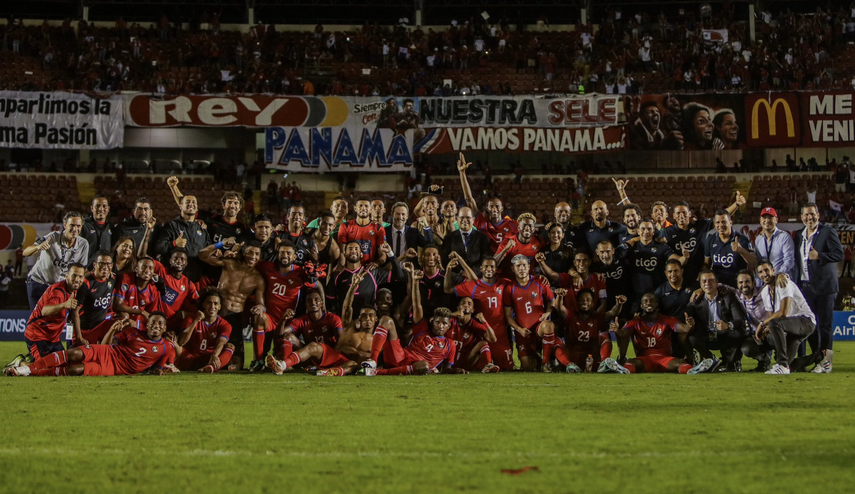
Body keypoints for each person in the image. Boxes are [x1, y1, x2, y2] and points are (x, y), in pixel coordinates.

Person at [361, 268, 465, 376]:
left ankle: (376, 372)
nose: (441, 326)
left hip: (417, 367)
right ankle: (372, 362)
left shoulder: (450, 345)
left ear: (449, 325)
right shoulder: (423, 329)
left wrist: (455, 370)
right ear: (432, 321)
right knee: (386, 320)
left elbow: (446, 368)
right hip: (399, 356)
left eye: (444, 324)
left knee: (424, 366)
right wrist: (415, 282)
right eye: (438, 322)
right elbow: (417, 305)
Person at [6, 312, 175, 377]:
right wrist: (113, 331)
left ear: (165, 327)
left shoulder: (166, 347)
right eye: (153, 322)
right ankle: (27, 369)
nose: (156, 326)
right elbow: (106, 345)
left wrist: (162, 370)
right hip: (108, 353)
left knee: (75, 370)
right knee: (74, 354)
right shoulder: (133, 332)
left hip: (114, 369)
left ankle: (26, 368)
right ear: (147, 324)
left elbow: (156, 369)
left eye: (160, 323)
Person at [601, 293, 714, 374]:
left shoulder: (666, 320)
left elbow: (683, 329)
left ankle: (692, 370)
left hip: (664, 358)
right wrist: (617, 330)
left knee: (680, 363)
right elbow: (623, 334)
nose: (648, 303)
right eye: (645, 301)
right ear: (641, 306)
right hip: (644, 358)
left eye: (651, 301)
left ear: (657, 305)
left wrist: (690, 325)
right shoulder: (635, 322)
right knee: (632, 363)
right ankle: (624, 369)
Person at [249, 240, 319, 371]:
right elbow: (250, 265)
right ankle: (258, 361)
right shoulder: (267, 268)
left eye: (288, 253)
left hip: (288, 322)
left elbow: (316, 284)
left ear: (294, 256)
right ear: (277, 254)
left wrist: (315, 265)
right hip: (270, 318)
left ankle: (280, 359)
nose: (285, 255)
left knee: (281, 354)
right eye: (282, 252)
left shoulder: (300, 273)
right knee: (259, 317)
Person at [198, 240, 266, 370]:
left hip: (235, 316)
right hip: (216, 312)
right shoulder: (229, 264)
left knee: (237, 364)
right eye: (250, 252)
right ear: (244, 253)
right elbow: (203, 255)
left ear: (260, 257)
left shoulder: (258, 279)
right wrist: (221, 244)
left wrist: (260, 308)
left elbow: (261, 303)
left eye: (257, 254)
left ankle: (214, 367)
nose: (253, 256)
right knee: (207, 348)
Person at [793, 203, 843, 372]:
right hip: (806, 288)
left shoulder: (827, 232)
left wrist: (819, 256)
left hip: (825, 287)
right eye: (806, 215)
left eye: (812, 214)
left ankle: (826, 362)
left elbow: (839, 254)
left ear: (818, 215)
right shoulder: (799, 235)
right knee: (811, 325)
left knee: (825, 325)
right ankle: (816, 358)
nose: (809, 217)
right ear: (801, 217)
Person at [448, 256, 514, 370]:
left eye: (492, 266)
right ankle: (485, 365)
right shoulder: (473, 286)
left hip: (500, 332)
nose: (489, 269)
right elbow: (448, 290)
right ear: (481, 269)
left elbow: (521, 285)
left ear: (496, 269)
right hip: (480, 332)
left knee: (507, 368)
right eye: (486, 266)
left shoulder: (504, 283)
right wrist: (449, 268)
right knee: (477, 363)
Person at [662, 197, 744, 288]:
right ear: (673, 215)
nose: (681, 215)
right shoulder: (667, 232)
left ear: (689, 214)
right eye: (678, 213)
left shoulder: (699, 226)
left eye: (684, 212)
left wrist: (736, 204)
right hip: (678, 277)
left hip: (698, 276)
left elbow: (720, 218)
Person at [266, 291, 353, 376]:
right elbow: (279, 335)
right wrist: (283, 319)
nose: (313, 302)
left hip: (329, 355)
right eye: (309, 300)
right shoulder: (301, 320)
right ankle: (284, 365)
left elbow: (340, 342)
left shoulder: (333, 318)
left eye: (316, 300)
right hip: (310, 355)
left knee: (313, 346)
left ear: (322, 303)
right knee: (288, 336)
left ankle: (283, 365)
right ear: (306, 305)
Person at [753, 261, 817, 375]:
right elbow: (772, 316)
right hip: (791, 328)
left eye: (766, 270)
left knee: (774, 324)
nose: (764, 274)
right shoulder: (764, 292)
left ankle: (781, 364)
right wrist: (767, 329)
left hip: (805, 321)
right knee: (790, 365)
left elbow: (782, 312)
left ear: (773, 271)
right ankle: (820, 356)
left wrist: (762, 324)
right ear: (758, 275)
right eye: (760, 272)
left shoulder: (783, 282)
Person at [18, 263, 86, 361]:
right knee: (45, 368)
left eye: (80, 277)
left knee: (64, 365)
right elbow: (45, 311)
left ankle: (31, 359)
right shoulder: (58, 291)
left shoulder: (73, 289)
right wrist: (64, 305)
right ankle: (19, 363)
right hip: (37, 336)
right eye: (74, 275)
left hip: (53, 339)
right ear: (67, 276)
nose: (77, 279)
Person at [685, 270, 749, 371]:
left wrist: (728, 325)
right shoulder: (697, 299)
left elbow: (739, 319)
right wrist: (690, 321)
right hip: (707, 334)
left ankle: (731, 362)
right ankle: (711, 360)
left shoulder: (728, 297)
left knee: (739, 332)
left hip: (725, 334)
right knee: (692, 337)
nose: (707, 284)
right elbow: (689, 312)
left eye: (711, 281)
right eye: (704, 281)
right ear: (700, 284)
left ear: (716, 282)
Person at [23, 211, 88, 310]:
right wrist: (38, 247)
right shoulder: (53, 237)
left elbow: (81, 271)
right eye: (72, 225)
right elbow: (25, 252)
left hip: (60, 287)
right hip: (39, 282)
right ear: (65, 224)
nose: (75, 229)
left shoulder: (83, 244)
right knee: (38, 320)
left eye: (78, 226)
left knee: (56, 321)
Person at [503, 255, 556, 372]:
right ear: (513, 269)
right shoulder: (509, 288)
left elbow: (552, 300)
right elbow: (507, 316)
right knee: (528, 368)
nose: (521, 268)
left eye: (524, 265)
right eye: (518, 266)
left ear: (529, 267)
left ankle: (546, 363)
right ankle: (538, 356)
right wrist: (519, 329)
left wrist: (548, 312)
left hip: (538, 328)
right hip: (523, 332)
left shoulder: (540, 282)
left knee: (549, 325)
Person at [555, 288, 626, 372]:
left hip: (591, 359)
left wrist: (619, 304)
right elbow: (559, 308)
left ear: (592, 303)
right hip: (572, 358)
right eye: (582, 300)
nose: (585, 302)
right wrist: (559, 297)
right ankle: (568, 365)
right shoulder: (571, 316)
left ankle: (604, 363)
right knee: (556, 341)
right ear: (577, 302)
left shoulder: (597, 317)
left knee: (605, 335)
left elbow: (612, 313)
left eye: (588, 300)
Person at [458, 153, 518, 251]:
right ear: (487, 208)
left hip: (506, 264)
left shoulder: (512, 225)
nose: (494, 209)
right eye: (491, 206)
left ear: (502, 208)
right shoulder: (482, 222)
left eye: (497, 206)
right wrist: (462, 173)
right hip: (486, 263)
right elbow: (469, 199)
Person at [173, 288, 235, 373]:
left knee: (230, 346)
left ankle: (211, 367)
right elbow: (182, 342)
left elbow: (221, 342)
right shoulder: (191, 318)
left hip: (209, 358)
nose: (212, 307)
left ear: (220, 306)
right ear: (203, 304)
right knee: (173, 343)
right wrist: (195, 321)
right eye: (209, 303)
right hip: (190, 356)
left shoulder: (224, 324)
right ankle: (169, 365)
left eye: (216, 304)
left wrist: (214, 355)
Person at [155, 194, 210, 281]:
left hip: (196, 278)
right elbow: (159, 247)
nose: (191, 204)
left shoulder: (202, 228)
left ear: (197, 208)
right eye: (187, 202)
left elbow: (208, 248)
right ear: (180, 206)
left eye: (193, 202)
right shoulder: (171, 226)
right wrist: (174, 243)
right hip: (174, 278)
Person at [71, 251, 118, 347]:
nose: (105, 267)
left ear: (112, 265)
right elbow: (75, 312)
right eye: (101, 263)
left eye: (108, 264)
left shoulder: (112, 278)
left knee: (126, 324)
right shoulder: (86, 283)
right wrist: (79, 337)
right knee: (78, 357)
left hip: (101, 325)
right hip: (85, 329)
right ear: (94, 265)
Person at [703, 209, 756, 288]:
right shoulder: (710, 240)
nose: (720, 225)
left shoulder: (741, 239)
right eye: (717, 222)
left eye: (724, 222)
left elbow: (754, 262)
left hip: (738, 286)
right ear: (714, 224)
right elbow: (707, 265)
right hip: (718, 286)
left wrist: (741, 250)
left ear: (730, 223)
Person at [447, 297, 500, 373]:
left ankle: (488, 365)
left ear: (472, 310)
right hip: (448, 361)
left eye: (469, 304)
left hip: (467, 360)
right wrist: (452, 314)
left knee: (483, 343)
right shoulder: (450, 321)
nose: (466, 305)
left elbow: (493, 339)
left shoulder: (475, 325)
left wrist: (485, 322)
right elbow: (433, 320)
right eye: (463, 303)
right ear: (458, 308)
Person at [440, 207, 490, 275]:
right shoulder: (449, 238)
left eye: (468, 217)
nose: (465, 220)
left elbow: (485, 259)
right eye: (462, 217)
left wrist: (470, 273)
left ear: (473, 220)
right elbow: (444, 260)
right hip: (455, 277)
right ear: (457, 219)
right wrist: (460, 272)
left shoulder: (483, 238)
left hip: (476, 277)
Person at [337, 195, 387, 264]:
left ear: (371, 209)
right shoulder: (345, 226)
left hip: (370, 269)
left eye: (366, 206)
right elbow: (342, 253)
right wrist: (343, 269)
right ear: (355, 208)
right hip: (351, 268)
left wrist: (376, 264)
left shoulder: (378, 228)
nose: (363, 208)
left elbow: (383, 255)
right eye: (360, 206)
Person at [494, 213, 546, 279]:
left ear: (533, 229)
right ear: (518, 228)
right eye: (524, 225)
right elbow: (493, 263)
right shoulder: (508, 241)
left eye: (530, 226)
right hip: (508, 280)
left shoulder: (539, 241)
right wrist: (505, 249)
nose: (527, 228)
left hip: (527, 281)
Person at [753, 207, 795, 281]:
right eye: (764, 218)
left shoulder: (784, 237)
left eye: (770, 218)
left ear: (776, 220)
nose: (767, 220)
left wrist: (779, 274)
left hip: (781, 280)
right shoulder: (758, 239)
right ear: (760, 220)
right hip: (764, 283)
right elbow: (758, 262)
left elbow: (789, 260)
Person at [81, 194, 113, 265]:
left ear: (108, 208)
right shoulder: (83, 225)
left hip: (103, 271)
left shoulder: (111, 227)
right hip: (85, 271)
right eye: (97, 206)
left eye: (104, 206)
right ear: (92, 208)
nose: (101, 209)